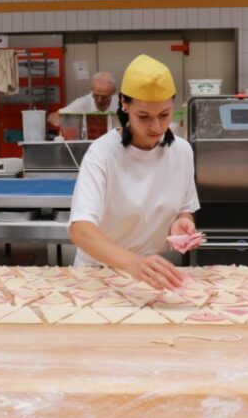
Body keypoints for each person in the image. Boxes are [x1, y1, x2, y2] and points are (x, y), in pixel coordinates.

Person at [68, 55, 199, 290]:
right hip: (99, 275)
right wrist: (133, 264)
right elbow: (80, 229)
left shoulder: (182, 152)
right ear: (124, 105)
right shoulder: (102, 153)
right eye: (144, 116)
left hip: (154, 275)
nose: (157, 127)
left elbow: (184, 209)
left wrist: (181, 223)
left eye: (164, 114)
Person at [47, 71, 119, 131]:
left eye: (104, 97)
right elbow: (52, 116)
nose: (99, 100)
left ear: (113, 93)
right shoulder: (82, 103)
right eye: (96, 95)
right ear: (92, 90)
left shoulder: (121, 103)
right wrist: (63, 123)